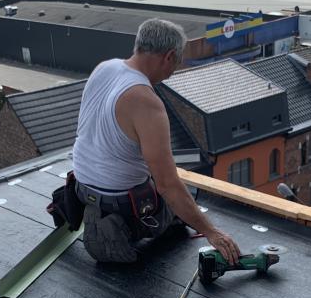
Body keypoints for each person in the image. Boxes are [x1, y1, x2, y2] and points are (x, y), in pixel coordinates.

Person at [71, 18, 240, 265]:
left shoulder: (104, 68)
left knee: (166, 187)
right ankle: (121, 227)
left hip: (81, 186)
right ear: (169, 56)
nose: (174, 71)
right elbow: (167, 184)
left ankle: (103, 216)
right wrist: (211, 232)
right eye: (177, 62)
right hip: (121, 200)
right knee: (181, 199)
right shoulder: (146, 102)